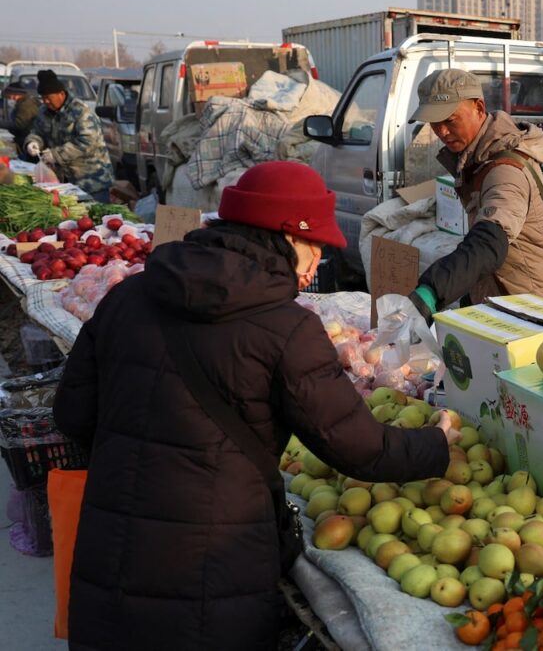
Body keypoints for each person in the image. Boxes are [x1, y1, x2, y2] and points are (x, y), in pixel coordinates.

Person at [54, 161, 456, 651]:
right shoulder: (286, 329)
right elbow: (359, 448)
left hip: (110, 557)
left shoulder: (128, 296)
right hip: (216, 573)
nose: (316, 264)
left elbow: (72, 415)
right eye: (314, 246)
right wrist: (436, 444)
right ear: (284, 236)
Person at [407, 68, 543, 317]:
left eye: (450, 120)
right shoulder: (478, 160)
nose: (441, 132)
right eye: (434, 123)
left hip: (539, 314)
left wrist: (432, 290)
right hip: (510, 306)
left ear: (479, 108)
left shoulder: (506, 171)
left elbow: (489, 242)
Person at [25, 69, 113, 202]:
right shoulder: (44, 112)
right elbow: (37, 132)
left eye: (48, 97)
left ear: (61, 94)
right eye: (43, 98)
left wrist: (56, 155)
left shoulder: (80, 111)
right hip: (63, 182)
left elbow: (88, 142)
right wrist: (33, 142)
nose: (46, 101)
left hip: (91, 180)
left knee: (97, 213)